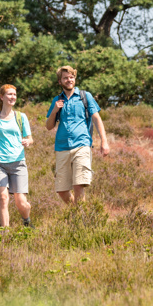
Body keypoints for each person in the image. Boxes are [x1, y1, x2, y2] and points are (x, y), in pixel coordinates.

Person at [45, 65, 109, 204]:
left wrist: (104, 141)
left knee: (78, 184)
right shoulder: (57, 100)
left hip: (82, 144)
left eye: (71, 77)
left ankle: (80, 219)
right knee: (61, 190)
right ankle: (76, 214)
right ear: (60, 82)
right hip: (62, 147)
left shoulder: (85, 96)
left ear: (75, 79)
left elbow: (97, 118)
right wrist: (55, 110)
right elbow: (49, 126)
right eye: (65, 78)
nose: (69, 80)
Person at [0, 84, 33, 228]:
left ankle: (27, 221)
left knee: (21, 202)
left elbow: (30, 138)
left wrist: (28, 141)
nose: (12, 97)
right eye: (9, 94)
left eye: (14, 94)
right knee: (3, 198)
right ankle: (5, 233)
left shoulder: (21, 117)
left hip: (18, 163)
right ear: (2, 97)